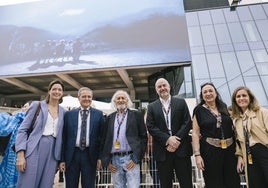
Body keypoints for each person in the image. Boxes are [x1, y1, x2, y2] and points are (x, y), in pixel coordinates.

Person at [15, 79, 65, 188]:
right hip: (35, 146)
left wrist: (61, 159)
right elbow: (22, 129)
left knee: (46, 184)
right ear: (49, 91)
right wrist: (20, 155)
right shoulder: (37, 105)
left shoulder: (64, 112)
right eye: (54, 89)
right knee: (28, 182)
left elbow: (63, 137)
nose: (57, 91)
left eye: (60, 90)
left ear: (62, 93)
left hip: (53, 151)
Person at [146, 78, 193, 188]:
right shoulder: (151, 107)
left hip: (181, 150)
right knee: (165, 184)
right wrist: (168, 140)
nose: (162, 88)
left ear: (169, 87)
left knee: (186, 183)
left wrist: (175, 140)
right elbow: (151, 127)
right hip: (163, 151)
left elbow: (187, 122)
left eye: (164, 85)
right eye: (159, 86)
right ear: (156, 90)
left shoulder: (181, 102)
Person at [192, 82, 240, 188]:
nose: (208, 93)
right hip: (210, 150)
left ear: (216, 93)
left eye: (210, 91)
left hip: (230, 151)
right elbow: (195, 133)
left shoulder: (223, 107)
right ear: (202, 96)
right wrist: (197, 155)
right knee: (214, 183)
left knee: (233, 182)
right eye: (205, 92)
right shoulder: (199, 110)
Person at [101, 90, 148, 188]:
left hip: (131, 159)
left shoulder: (136, 115)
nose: (121, 100)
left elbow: (143, 137)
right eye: (118, 98)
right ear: (114, 101)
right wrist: (107, 161)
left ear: (127, 100)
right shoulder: (109, 118)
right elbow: (104, 140)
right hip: (114, 160)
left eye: (123, 98)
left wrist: (136, 158)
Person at [59, 87, 104, 188]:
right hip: (72, 155)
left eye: (89, 96)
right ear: (78, 98)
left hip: (90, 155)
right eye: (84, 96)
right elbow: (64, 138)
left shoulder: (99, 114)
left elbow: (102, 138)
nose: (86, 98)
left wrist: (100, 157)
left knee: (88, 185)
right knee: (70, 185)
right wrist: (62, 159)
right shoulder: (68, 115)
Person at [231, 86, 268, 188]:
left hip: (264, 151)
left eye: (244, 95)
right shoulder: (236, 120)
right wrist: (240, 156)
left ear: (250, 98)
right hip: (249, 155)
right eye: (238, 96)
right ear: (235, 101)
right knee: (255, 183)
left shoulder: (262, 112)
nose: (241, 98)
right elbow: (238, 142)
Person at [0, 101, 32, 188]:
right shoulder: (17, 118)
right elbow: (4, 128)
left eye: (26, 106)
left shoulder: (32, 122)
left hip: (22, 154)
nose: (23, 108)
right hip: (11, 153)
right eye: (23, 106)